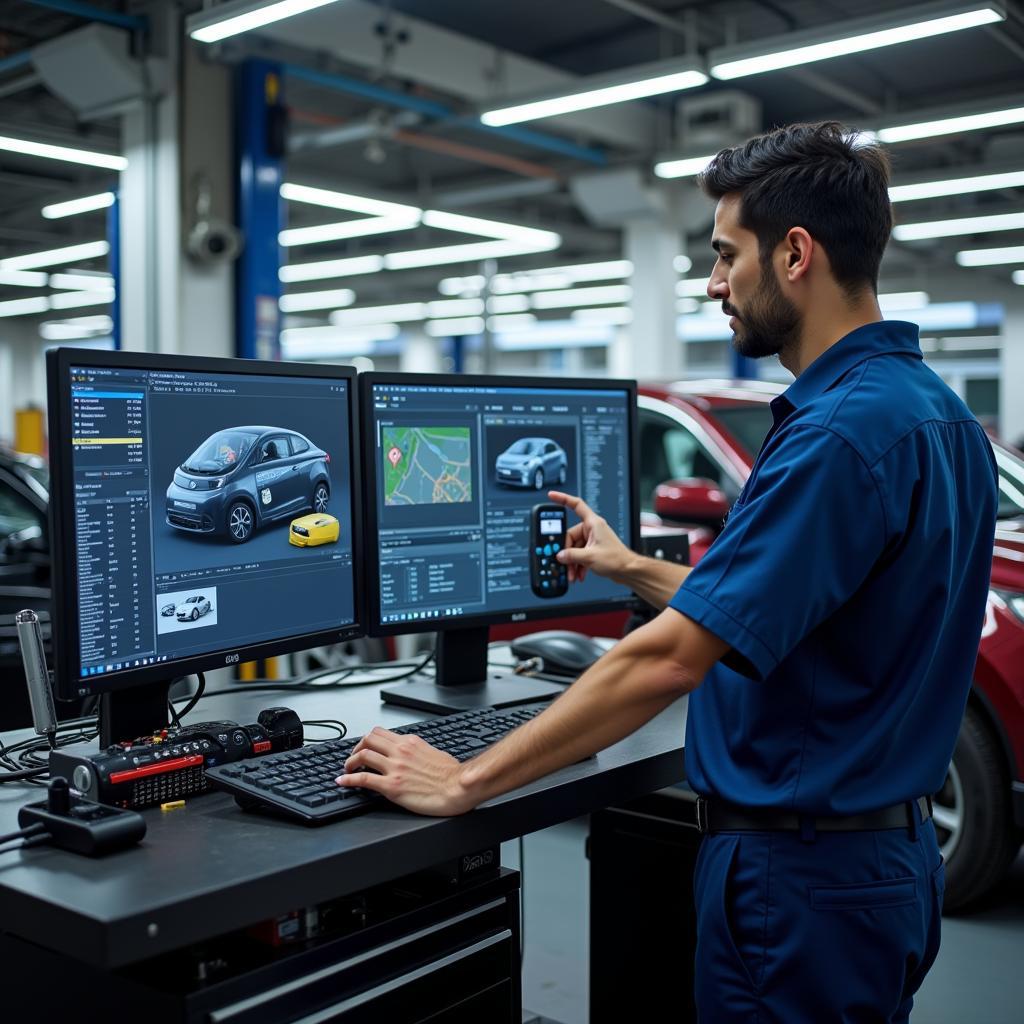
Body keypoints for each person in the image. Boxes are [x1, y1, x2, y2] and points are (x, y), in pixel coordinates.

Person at [337, 122, 998, 1022]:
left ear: (796, 253)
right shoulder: (935, 415)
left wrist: (465, 778)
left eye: (727, 255)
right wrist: (631, 568)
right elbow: (795, 617)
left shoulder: (836, 435)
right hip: (883, 865)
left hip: (800, 885)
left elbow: (666, 663)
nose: (714, 282)